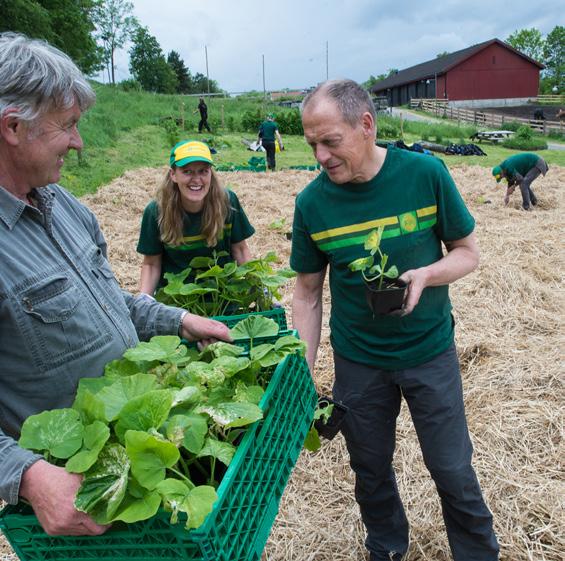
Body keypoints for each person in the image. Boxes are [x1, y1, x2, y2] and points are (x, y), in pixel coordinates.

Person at [0, 32, 231, 537]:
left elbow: (105, 303)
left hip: (135, 453)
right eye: (69, 126)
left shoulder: (66, 207)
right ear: (14, 128)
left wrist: (178, 319)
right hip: (73, 502)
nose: (80, 143)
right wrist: (29, 478)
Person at [291, 79, 499, 561]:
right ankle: (386, 547)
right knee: (369, 467)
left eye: (330, 141)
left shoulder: (424, 174)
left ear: (365, 125)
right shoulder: (312, 204)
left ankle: (477, 553)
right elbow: (306, 293)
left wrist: (428, 274)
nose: (320, 156)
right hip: (359, 360)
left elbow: (468, 254)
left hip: (429, 352)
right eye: (312, 144)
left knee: (451, 468)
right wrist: (302, 370)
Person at [137, 139, 254, 295]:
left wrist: (260, 289)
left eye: (203, 171)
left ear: (210, 173)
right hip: (177, 301)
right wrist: (144, 301)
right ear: (173, 175)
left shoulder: (226, 201)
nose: (196, 179)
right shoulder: (156, 211)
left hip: (223, 298)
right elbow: (151, 265)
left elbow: (240, 250)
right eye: (187, 171)